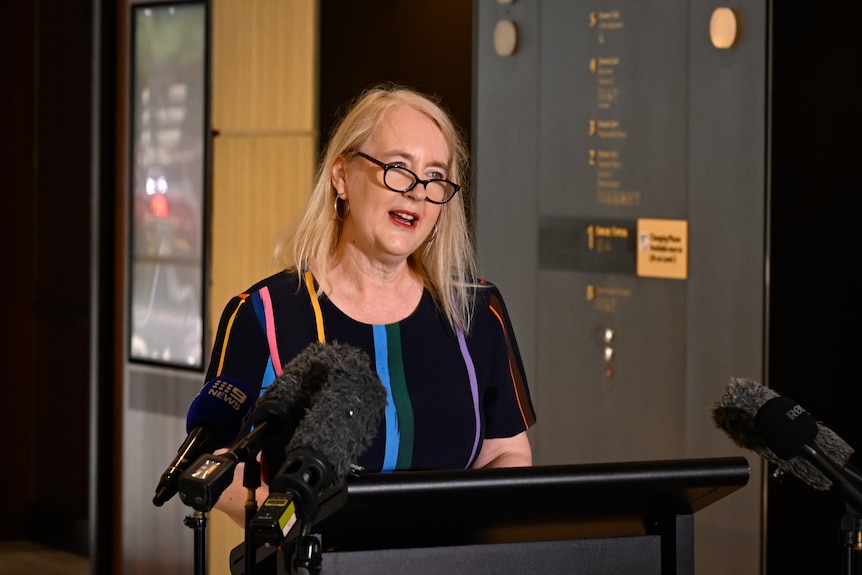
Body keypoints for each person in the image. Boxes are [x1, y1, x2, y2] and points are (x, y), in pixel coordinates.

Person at [204, 83, 536, 527]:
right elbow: (218, 467)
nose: (417, 191)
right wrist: (299, 530)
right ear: (341, 176)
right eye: (398, 167)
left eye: (435, 176)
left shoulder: (477, 310)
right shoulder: (263, 314)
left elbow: (507, 452)